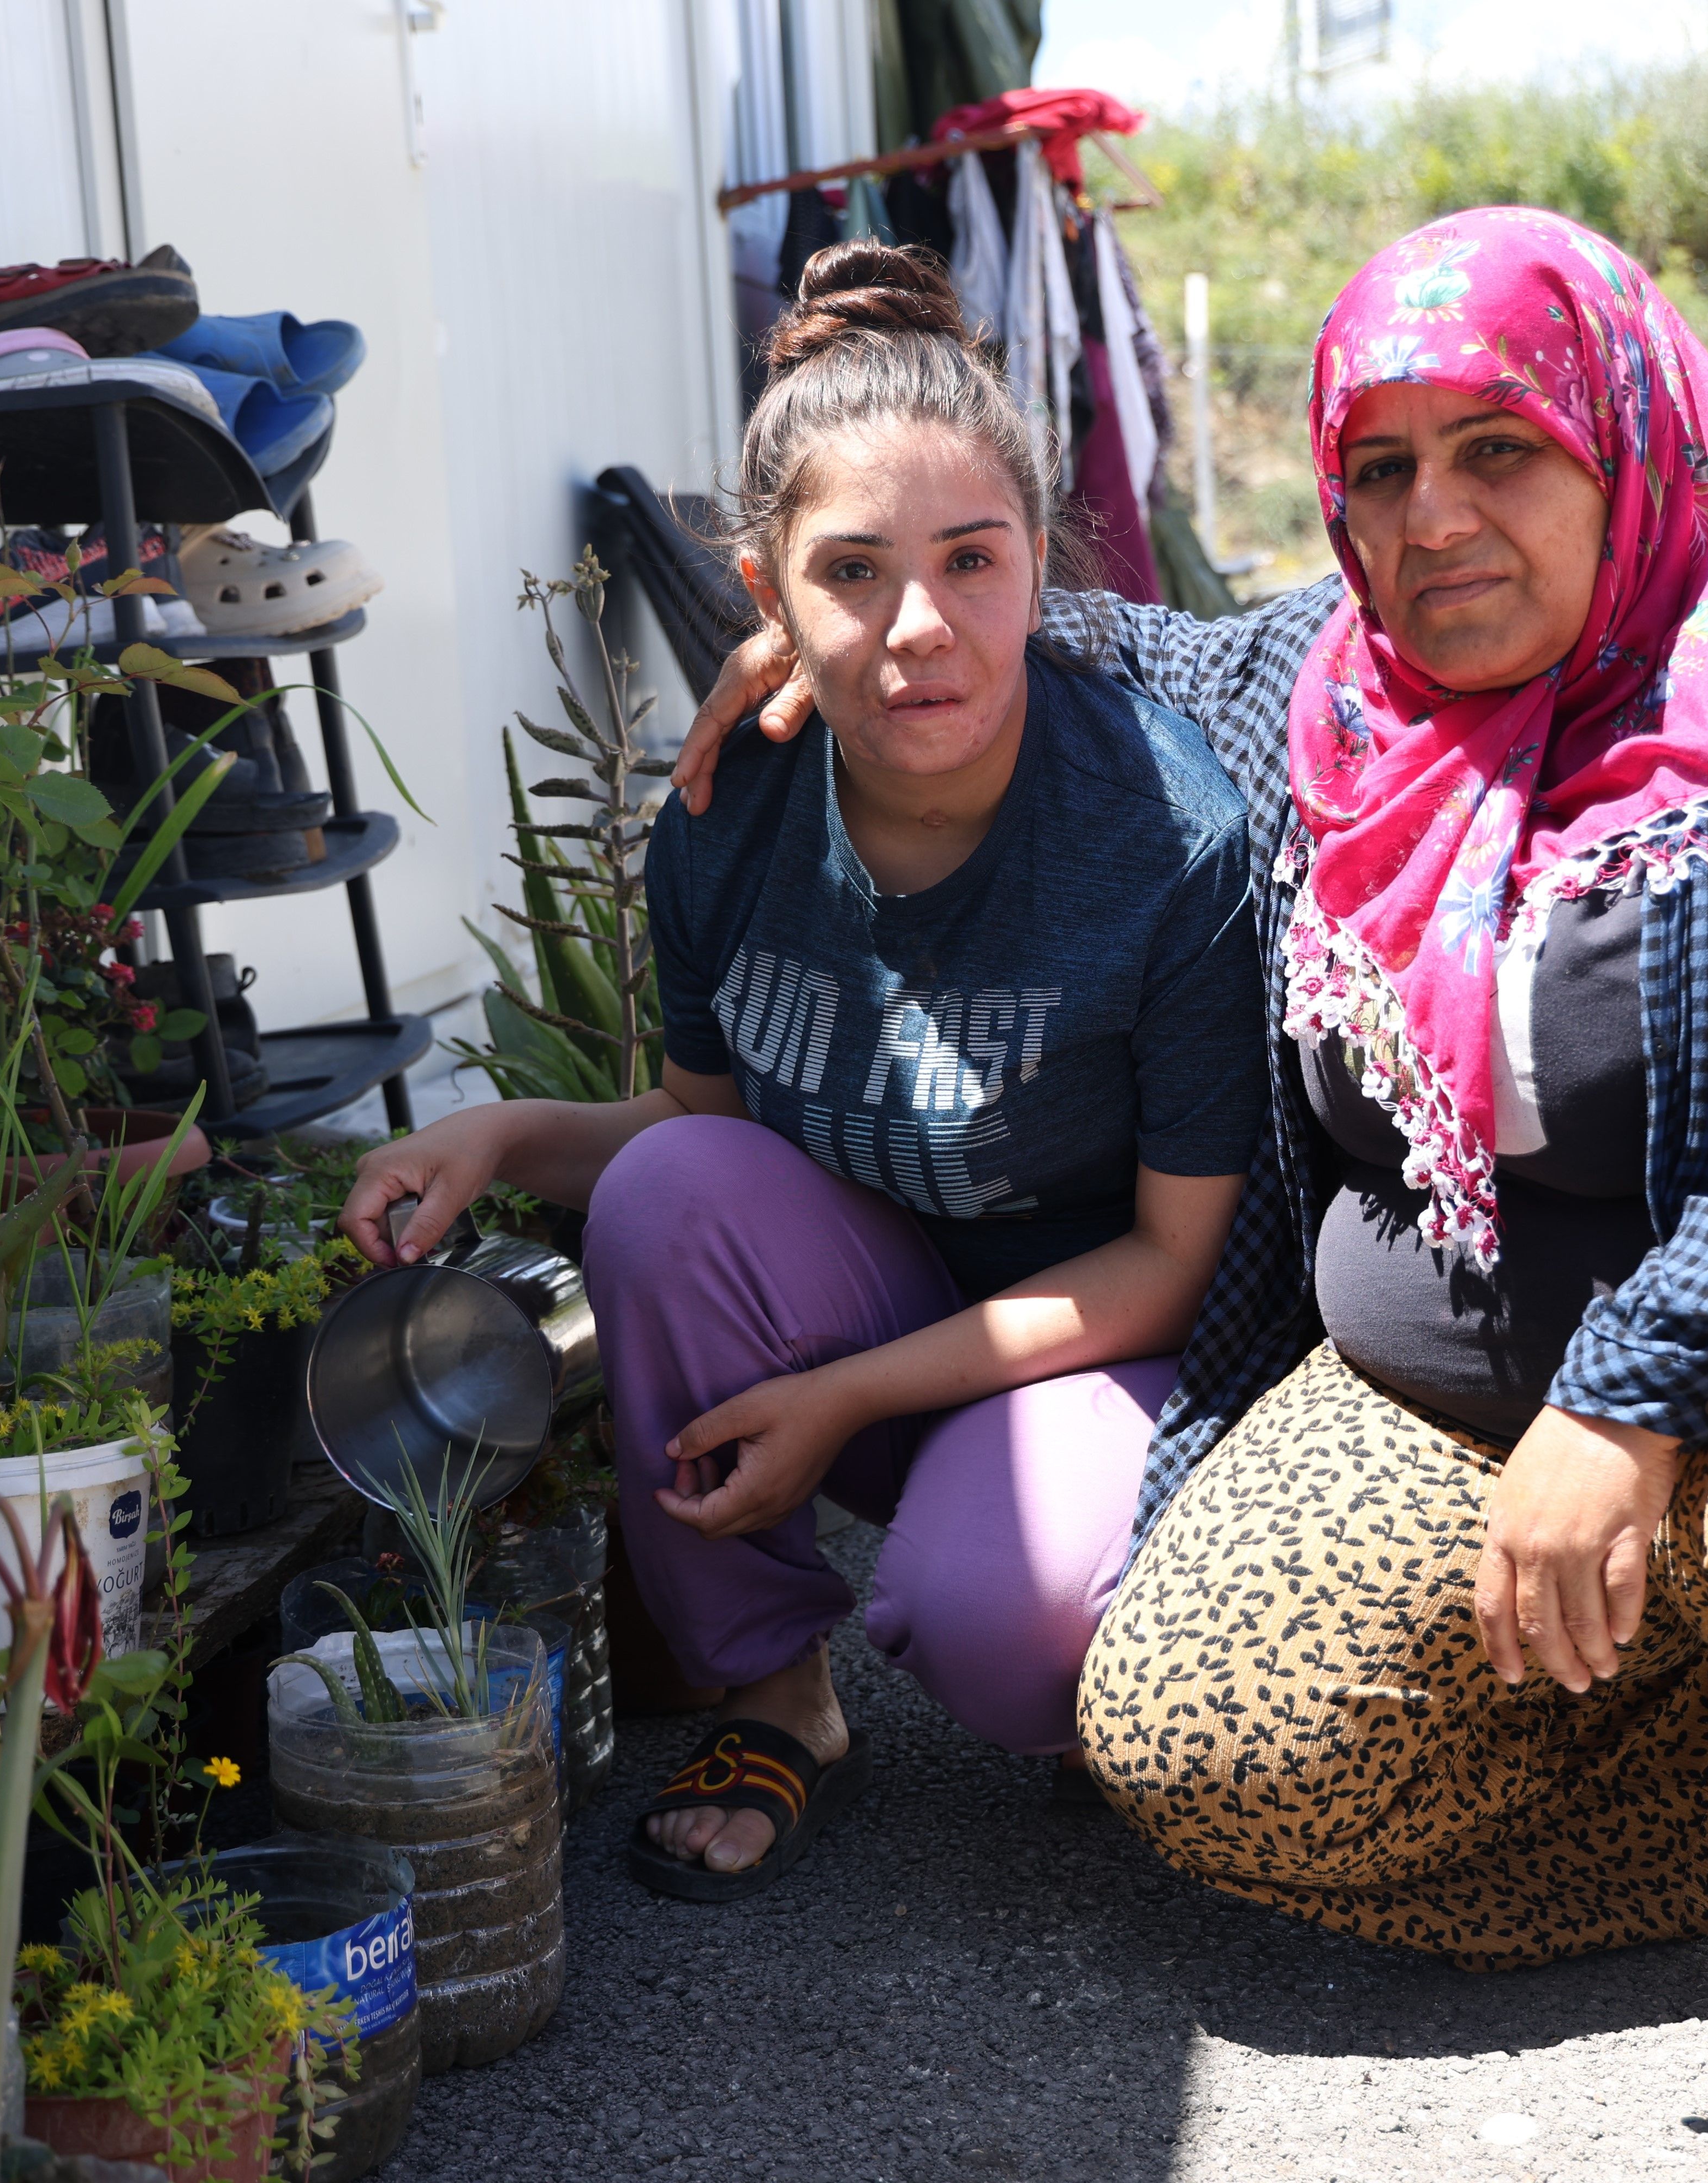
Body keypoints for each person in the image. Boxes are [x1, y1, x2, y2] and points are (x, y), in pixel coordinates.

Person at [670, 207, 1708, 2170]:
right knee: (1199, 1739)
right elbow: (1086, 637)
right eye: (1380, 468)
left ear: (1623, 440)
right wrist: (834, 638)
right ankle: (1697, 1726)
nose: (1434, 518)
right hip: (1474, 1415)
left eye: (1499, 449)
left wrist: (1633, 1389)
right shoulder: (1334, 691)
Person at [337, 241, 1264, 1903]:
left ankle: (1092, 1608)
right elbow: (704, 1143)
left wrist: (848, 1397)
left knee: (1007, 1640)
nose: (920, 629)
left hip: (1100, 1348)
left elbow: (1171, 1262)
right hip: (881, 1313)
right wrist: (497, 1133)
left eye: (971, 560)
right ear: (767, 597)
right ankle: (775, 1699)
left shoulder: (1164, 838)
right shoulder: (729, 817)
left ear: (1039, 566)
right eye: (852, 573)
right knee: (665, 1192)